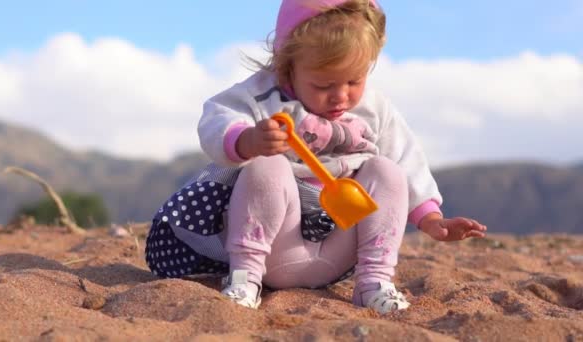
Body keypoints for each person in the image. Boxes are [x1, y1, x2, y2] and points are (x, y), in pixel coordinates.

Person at [145, 0, 487, 313]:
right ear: (287, 68)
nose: (340, 96)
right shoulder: (264, 95)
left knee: (386, 170)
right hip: (275, 243)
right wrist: (247, 140)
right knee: (268, 164)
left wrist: (430, 217)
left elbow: (406, 157)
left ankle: (374, 281)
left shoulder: (376, 109)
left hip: (340, 246)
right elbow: (216, 117)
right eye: (324, 85)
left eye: (354, 80)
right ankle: (244, 278)